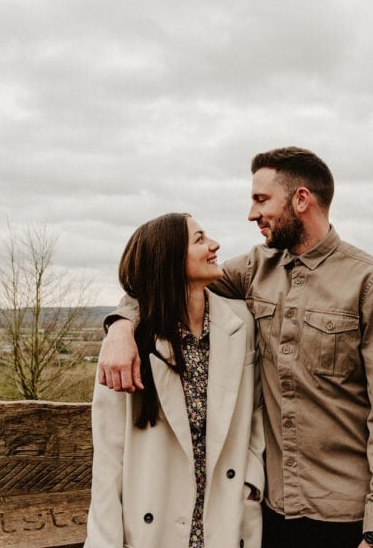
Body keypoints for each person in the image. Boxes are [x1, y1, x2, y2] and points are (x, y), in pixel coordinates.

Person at [98, 147, 373, 548]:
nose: (252, 214)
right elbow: (166, 279)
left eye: (261, 200)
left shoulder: (372, 283)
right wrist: (122, 325)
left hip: (344, 517)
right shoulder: (254, 269)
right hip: (269, 514)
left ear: (301, 200)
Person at [85, 213, 265, 548]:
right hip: (153, 523)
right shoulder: (128, 345)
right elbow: (109, 458)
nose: (214, 245)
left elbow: (255, 411)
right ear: (167, 260)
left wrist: (251, 482)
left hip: (227, 515)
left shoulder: (240, 323)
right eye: (199, 239)